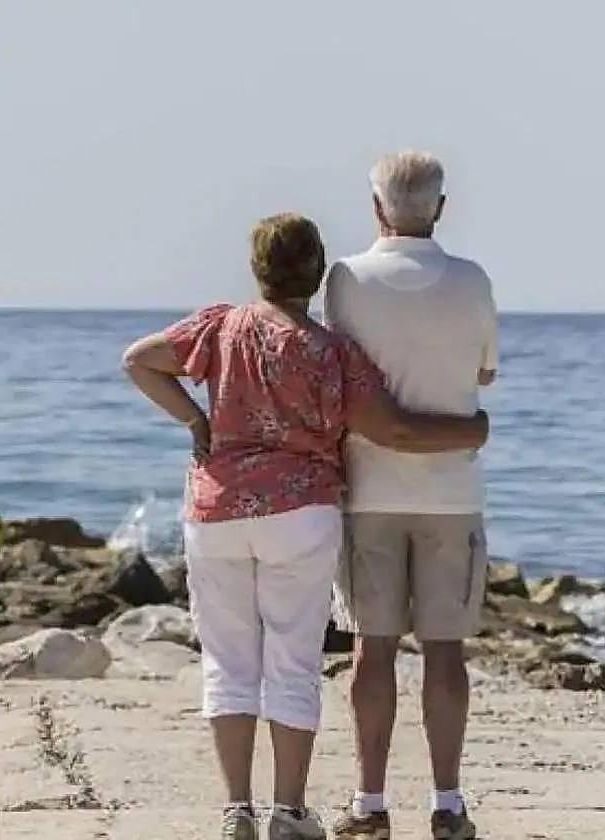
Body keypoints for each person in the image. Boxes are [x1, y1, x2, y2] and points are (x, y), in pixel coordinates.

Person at [122, 213, 490, 840]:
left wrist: (195, 423)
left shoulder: (218, 325)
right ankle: (288, 812)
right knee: (292, 659)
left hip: (216, 513)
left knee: (227, 662)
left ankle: (236, 809)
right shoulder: (332, 353)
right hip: (301, 512)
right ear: (317, 274)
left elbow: (139, 361)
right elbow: (393, 429)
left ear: (256, 269)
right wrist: (471, 431)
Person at [325, 151, 497, 840]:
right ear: (441, 208)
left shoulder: (345, 278)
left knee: (373, 649)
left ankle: (370, 804)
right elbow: (483, 376)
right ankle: (448, 803)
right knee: (446, 652)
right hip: (452, 490)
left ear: (375, 208)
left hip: (367, 489)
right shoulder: (472, 280)